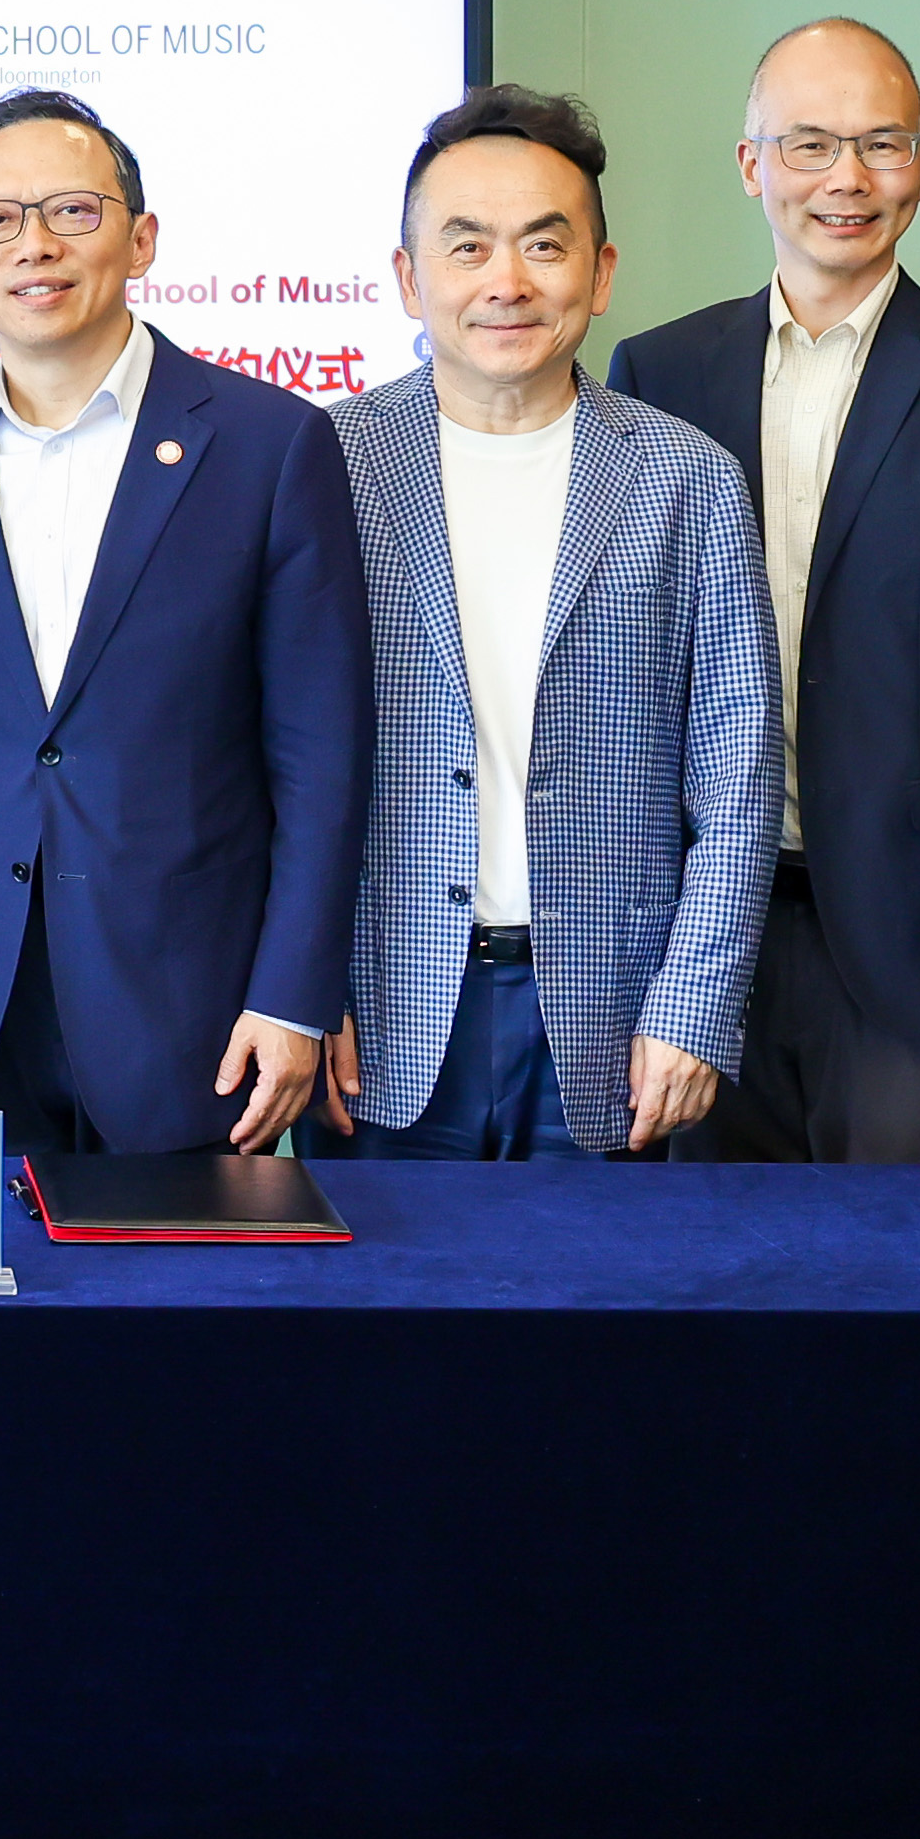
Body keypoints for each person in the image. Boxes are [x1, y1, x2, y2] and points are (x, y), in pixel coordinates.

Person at [0, 89, 365, 1157]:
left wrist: (293, 995)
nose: (33, 245)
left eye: (72, 211)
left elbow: (321, 752)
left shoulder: (269, 444)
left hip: (189, 1005)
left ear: (141, 238)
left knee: (174, 1271)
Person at [612, 17, 920, 1165]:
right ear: (751, 163)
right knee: (706, 1266)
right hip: (694, 938)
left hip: (914, 955)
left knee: (906, 1268)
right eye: (811, 144)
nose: (848, 179)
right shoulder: (658, 374)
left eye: (883, 143)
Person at [319, 88, 776, 1160]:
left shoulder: (688, 479)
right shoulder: (323, 465)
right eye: (466, 246)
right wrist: (301, 988)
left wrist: (693, 1005)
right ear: (408, 278)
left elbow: (739, 769)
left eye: (544, 244)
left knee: (600, 1280)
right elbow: (262, 763)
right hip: (379, 1008)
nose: (507, 282)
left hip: (617, 1021)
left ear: (601, 274)